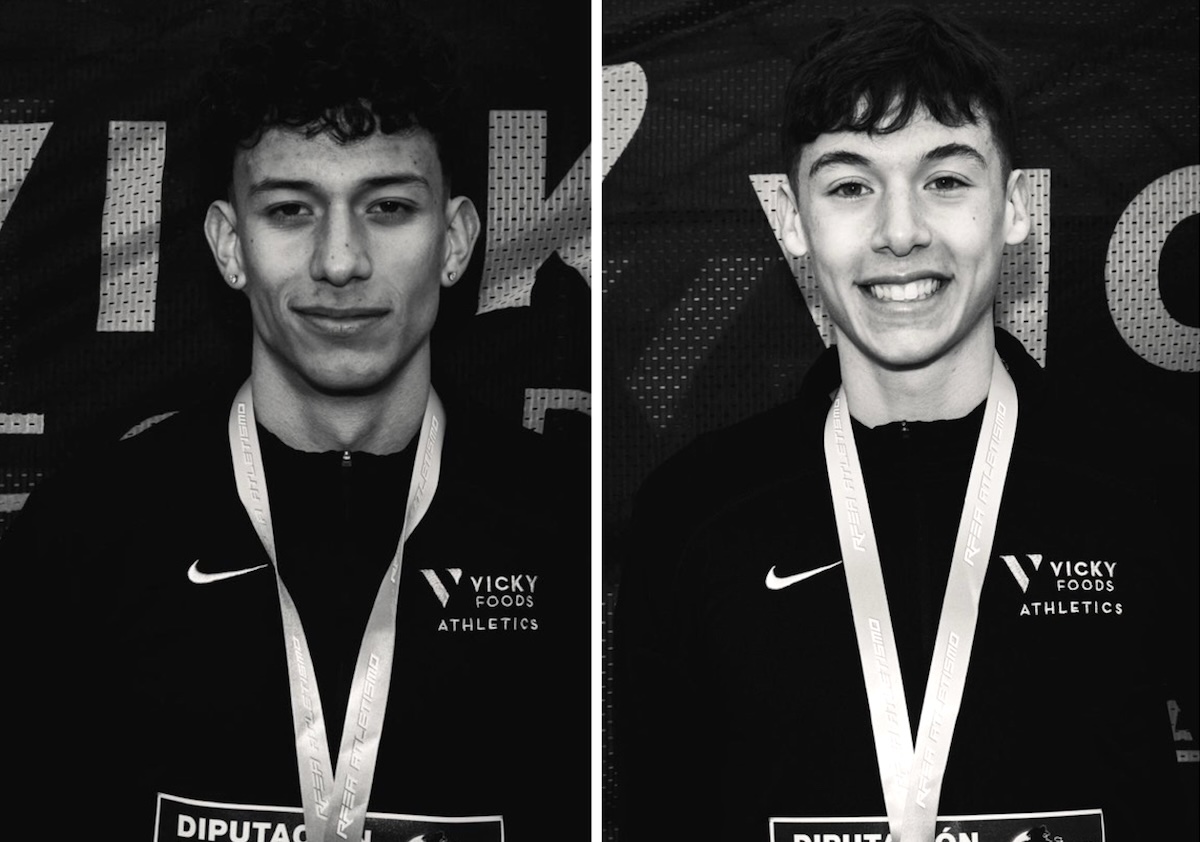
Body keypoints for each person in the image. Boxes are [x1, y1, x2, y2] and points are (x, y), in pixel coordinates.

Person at [4, 1, 587, 839]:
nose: (340, 261)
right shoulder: (85, 531)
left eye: (388, 207)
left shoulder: (565, 526)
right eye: (290, 210)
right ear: (229, 244)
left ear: (456, 241)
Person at [615, 6, 1187, 840]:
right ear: (792, 221)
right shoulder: (694, 512)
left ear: (1014, 206)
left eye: (945, 180)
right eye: (851, 186)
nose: (900, 233)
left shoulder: (1157, 486)